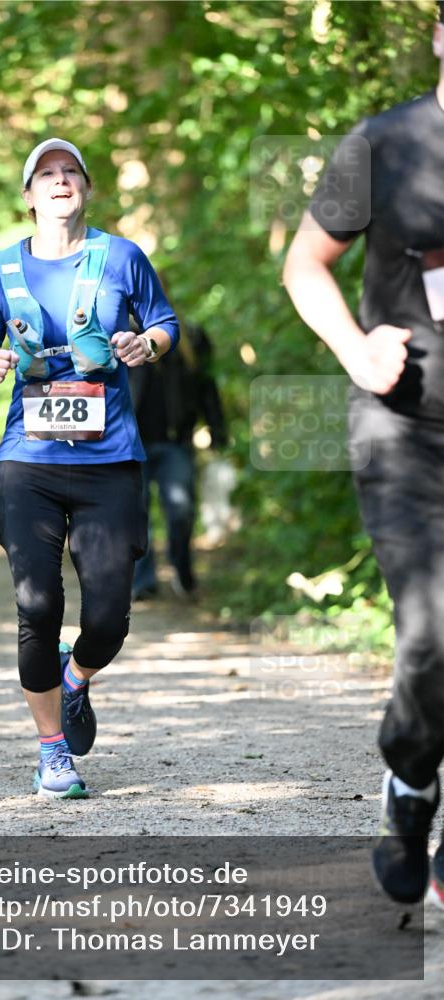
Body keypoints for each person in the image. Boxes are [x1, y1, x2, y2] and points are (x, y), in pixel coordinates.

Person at [283, 4, 444, 907]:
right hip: (405, 428)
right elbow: (307, 264)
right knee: (430, 630)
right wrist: (353, 349)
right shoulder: (385, 144)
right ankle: (412, 778)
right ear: (436, 36)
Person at [0, 138, 179, 799]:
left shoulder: (120, 257)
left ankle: (76, 677)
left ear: (85, 189)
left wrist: (147, 342)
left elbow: (165, 322)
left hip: (109, 461)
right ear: (28, 195)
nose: (59, 181)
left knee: (109, 614)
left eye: (70, 173)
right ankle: (52, 753)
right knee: (37, 604)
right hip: (28, 461)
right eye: (45, 175)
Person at [128, 321, 227, 601]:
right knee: (135, 513)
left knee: (181, 511)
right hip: (132, 443)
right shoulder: (118, 332)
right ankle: (142, 580)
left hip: (175, 442)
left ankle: (182, 573)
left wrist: (217, 426)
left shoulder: (191, 336)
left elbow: (206, 385)